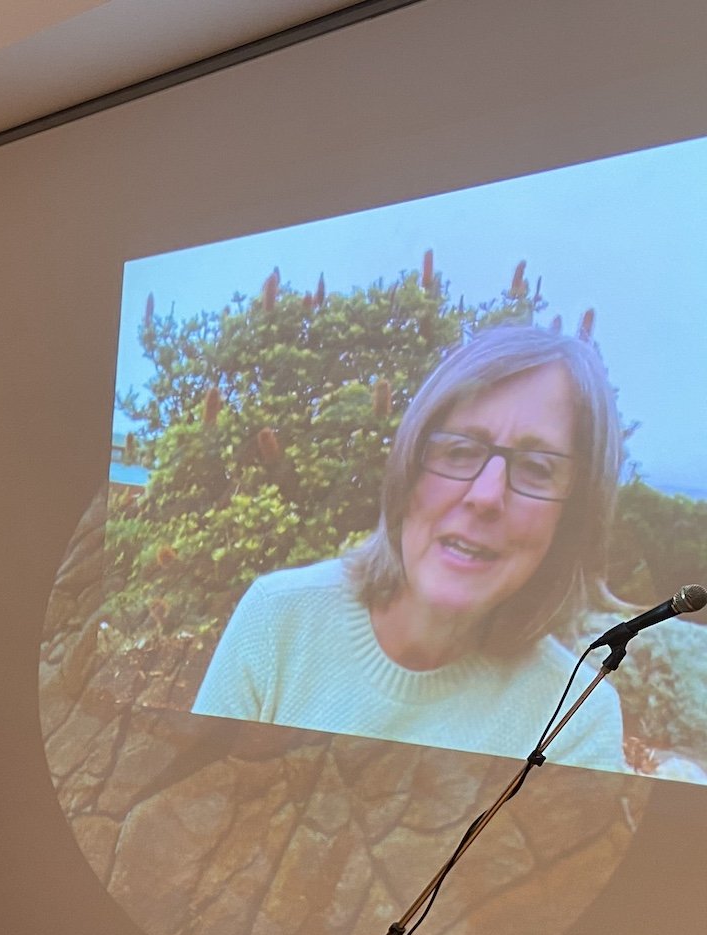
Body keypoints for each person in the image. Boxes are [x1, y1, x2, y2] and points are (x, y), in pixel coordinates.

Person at [193, 325, 627, 772]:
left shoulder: (576, 722)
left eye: (537, 467)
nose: (485, 495)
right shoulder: (278, 621)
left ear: (573, 518)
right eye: (460, 450)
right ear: (408, 468)